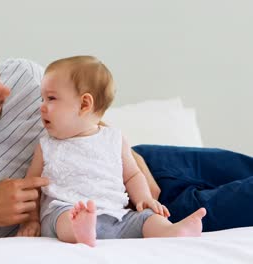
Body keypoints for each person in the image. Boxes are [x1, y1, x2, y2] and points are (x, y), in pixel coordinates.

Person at [0, 21, 253, 251]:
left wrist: (135, 171)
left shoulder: (22, 73)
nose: (7, 91)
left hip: (138, 168)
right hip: (127, 217)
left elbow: (90, 122)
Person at [16, 56, 206, 246]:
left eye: (51, 98)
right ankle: (79, 229)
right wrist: (31, 220)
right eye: (43, 99)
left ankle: (171, 230)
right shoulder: (47, 145)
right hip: (65, 210)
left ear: (84, 104)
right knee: (63, 217)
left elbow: (132, 175)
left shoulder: (114, 138)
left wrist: (144, 198)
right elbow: (31, 188)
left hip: (117, 216)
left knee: (147, 218)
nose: (41, 107)